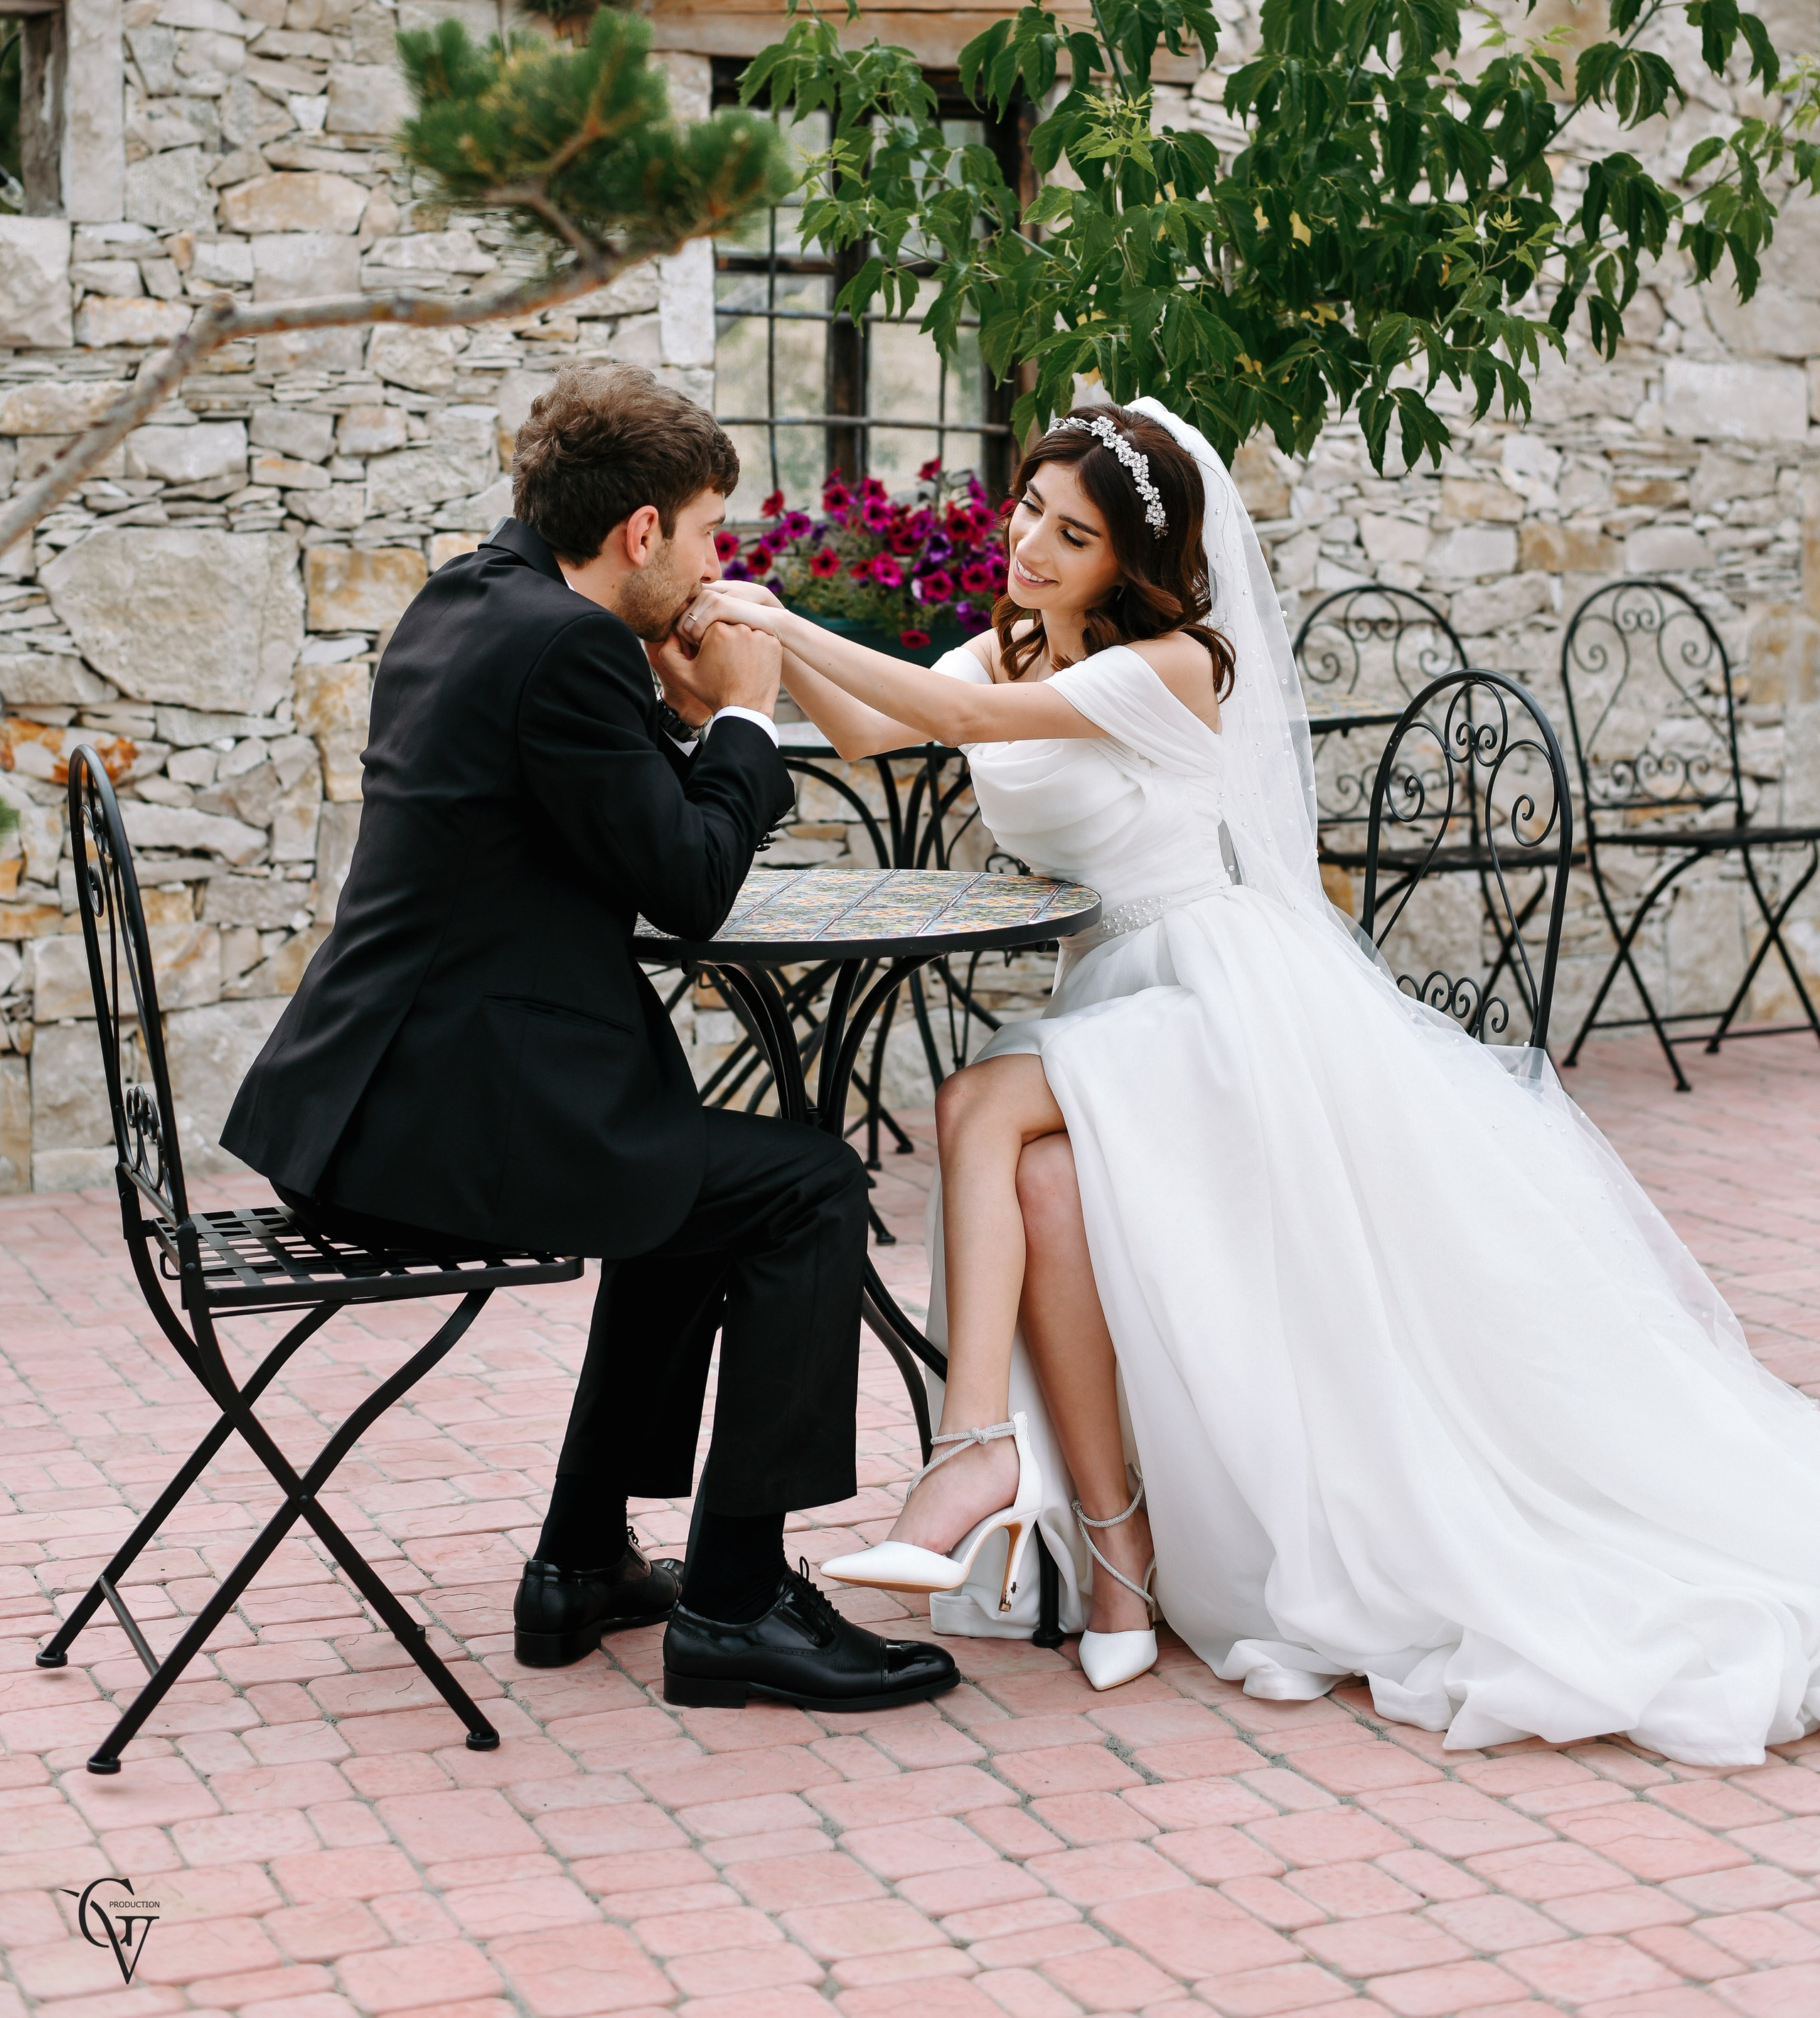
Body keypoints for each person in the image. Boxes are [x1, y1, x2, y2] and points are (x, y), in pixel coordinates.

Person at [685, 398, 1820, 1762]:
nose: (1034, 543)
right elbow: (878, 731)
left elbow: (963, 711)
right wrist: (741, 646)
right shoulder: (1015, 639)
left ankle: (973, 1445)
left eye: (1075, 532)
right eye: (1033, 510)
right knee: (1035, 1175)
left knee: (980, 1102)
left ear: (1133, 563)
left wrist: (783, 612)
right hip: (1114, 996)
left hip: (1217, 992)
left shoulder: (1174, 664)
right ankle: (1119, 1559)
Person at [222, 364, 957, 1717]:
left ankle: (577, 1561)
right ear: (641, 534)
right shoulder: (564, 647)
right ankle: (736, 1604)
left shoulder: (474, 602)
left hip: (367, 1101)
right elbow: (685, 884)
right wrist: (738, 712)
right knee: (806, 1185)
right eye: (708, 535)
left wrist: (679, 724)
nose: (715, 565)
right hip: (432, 1126)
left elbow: (607, 821)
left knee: (691, 1188)